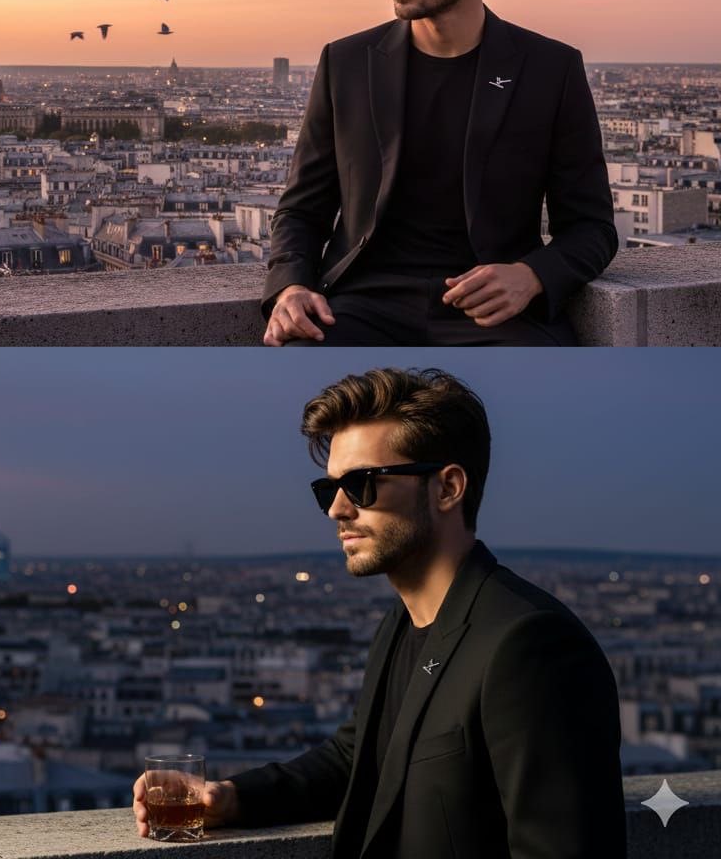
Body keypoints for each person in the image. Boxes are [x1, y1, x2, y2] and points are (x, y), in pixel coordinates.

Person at [133, 367, 627, 858]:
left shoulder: (530, 643)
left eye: (363, 484)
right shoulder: (405, 622)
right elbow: (361, 757)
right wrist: (232, 798)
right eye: (330, 489)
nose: (337, 510)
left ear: (448, 488)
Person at [262, 0, 618, 347]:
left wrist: (531, 275)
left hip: (492, 312)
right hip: (362, 305)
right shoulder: (345, 62)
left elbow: (591, 226)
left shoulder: (550, 69)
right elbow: (302, 209)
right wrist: (290, 286)